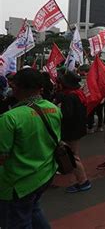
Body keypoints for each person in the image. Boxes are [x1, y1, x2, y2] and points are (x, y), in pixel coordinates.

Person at [0, 68, 61, 228]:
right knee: (33, 210)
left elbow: (2, 156)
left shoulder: (10, 117)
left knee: (18, 222)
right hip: (45, 174)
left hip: (18, 183)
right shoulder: (53, 108)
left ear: (17, 87)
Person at [56, 71, 91, 193]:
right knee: (74, 155)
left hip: (71, 131)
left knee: (73, 157)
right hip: (78, 129)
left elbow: (67, 115)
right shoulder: (78, 93)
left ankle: (83, 181)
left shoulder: (69, 96)